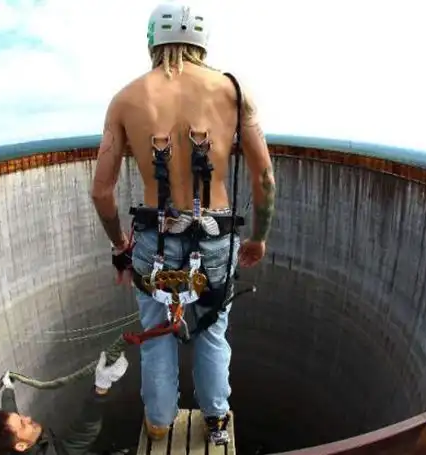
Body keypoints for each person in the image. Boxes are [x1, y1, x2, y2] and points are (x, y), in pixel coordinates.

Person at [90, 1, 276, 445]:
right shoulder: (235, 93)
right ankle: (215, 420)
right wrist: (259, 237)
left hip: (152, 243)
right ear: (202, 43)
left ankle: (158, 421)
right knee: (212, 334)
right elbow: (265, 177)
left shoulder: (125, 99)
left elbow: (101, 191)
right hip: (215, 240)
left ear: (153, 42)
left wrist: (120, 244)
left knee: (157, 337)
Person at [0, 351, 129, 454]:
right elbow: (84, 431)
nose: (28, 418)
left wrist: (8, 389)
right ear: (21, 446)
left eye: (21, 418)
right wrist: (101, 387)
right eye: (23, 424)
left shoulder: (11, 443)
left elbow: (10, 410)